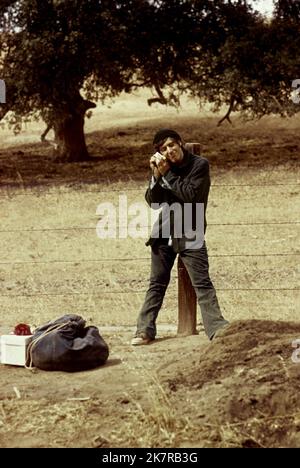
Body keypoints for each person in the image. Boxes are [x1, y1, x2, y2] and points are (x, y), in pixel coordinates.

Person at [131, 129, 229, 345]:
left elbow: (190, 196)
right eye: (163, 149)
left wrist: (166, 175)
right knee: (156, 283)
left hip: (190, 230)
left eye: (171, 145)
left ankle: (217, 329)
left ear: (180, 144)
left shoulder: (199, 165)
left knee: (202, 283)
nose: (169, 151)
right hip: (163, 231)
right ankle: (144, 330)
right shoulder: (164, 168)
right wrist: (156, 177)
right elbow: (154, 202)